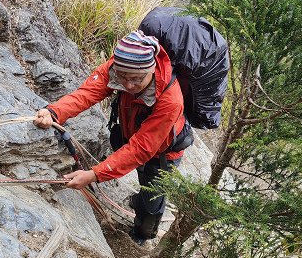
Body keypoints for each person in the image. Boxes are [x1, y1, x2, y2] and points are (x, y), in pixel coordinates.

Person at [34, 30, 192, 244]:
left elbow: (142, 148)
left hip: (163, 153)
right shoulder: (117, 67)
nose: (128, 85)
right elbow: (87, 93)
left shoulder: (170, 100)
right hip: (131, 135)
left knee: (150, 206)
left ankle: (140, 236)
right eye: (123, 77)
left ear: (152, 69)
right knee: (139, 175)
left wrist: (94, 175)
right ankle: (138, 202)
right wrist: (54, 112)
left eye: (136, 79)